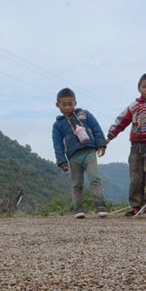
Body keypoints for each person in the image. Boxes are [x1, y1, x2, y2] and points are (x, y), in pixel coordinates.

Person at [106, 73, 146, 216]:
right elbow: (122, 121)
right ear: (138, 88)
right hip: (135, 147)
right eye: (144, 86)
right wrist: (110, 136)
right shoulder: (134, 106)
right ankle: (135, 206)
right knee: (135, 177)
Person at [52, 88, 108, 219]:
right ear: (57, 105)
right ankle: (78, 209)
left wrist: (101, 144)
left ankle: (101, 206)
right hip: (73, 157)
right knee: (76, 183)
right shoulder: (58, 125)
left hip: (89, 152)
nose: (67, 107)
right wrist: (62, 161)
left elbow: (96, 129)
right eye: (64, 105)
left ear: (75, 103)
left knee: (95, 178)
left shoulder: (85, 114)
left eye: (70, 104)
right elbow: (57, 144)